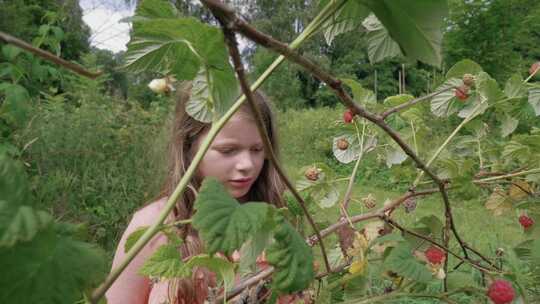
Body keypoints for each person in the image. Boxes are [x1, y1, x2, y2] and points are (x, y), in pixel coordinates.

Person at [106, 82, 285, 304]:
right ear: (189, 147)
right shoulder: (156, 225)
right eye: (228, 150)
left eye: (257, 149)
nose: (247, 164)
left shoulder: (272, 218)